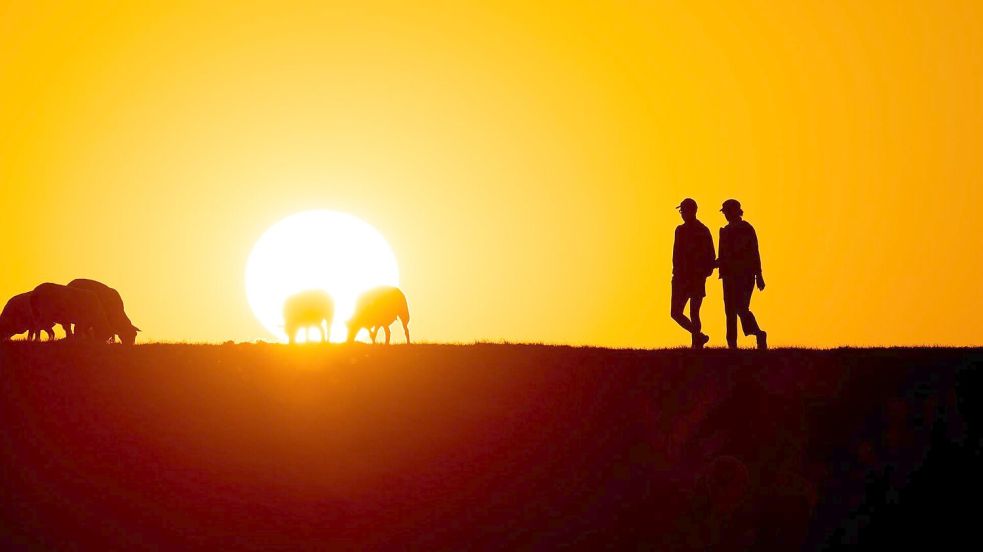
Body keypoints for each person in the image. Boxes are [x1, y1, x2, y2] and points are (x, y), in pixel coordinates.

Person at [717, 199, 767, 349]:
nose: (725, 214)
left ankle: (758, 333)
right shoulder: (724, 231)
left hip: (745, 275)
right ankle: (732, 345)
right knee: (729, 311)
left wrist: (759, 275)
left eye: (727, 211)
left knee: (741, 308)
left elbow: (754, 252)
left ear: (735, 211)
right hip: (728, 276)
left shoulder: (746, 228)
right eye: (724, 211)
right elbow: (723, 257)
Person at [671, 198, 716, 348]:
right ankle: (698, 336)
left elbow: (710, 255)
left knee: (694, 312)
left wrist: (704, 272)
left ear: (693, 211)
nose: (682, 214)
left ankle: (696, 343)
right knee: (676, 313)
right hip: (682, 278)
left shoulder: (702, 230)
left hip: (695, 277)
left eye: (684, 210)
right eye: (681, 211)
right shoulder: (681, 230)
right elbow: (676, 254)